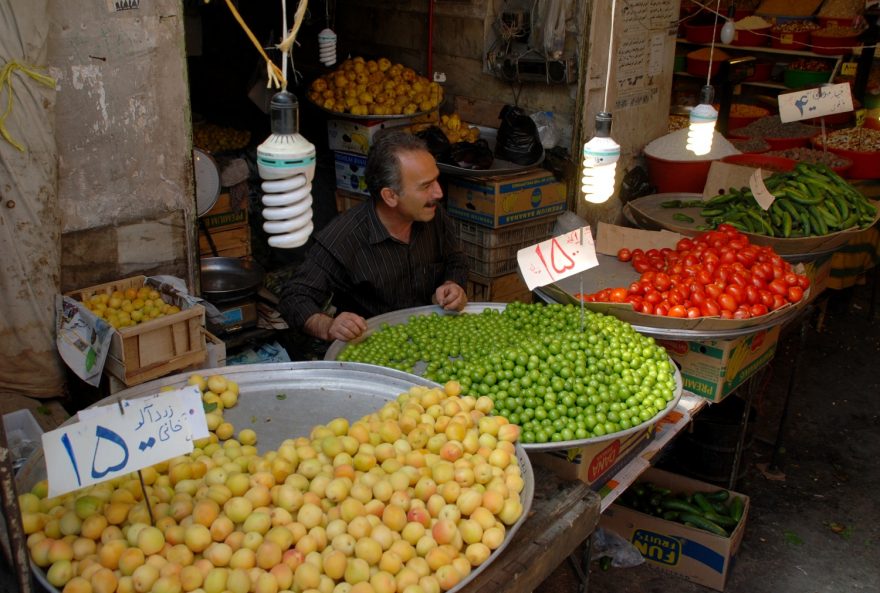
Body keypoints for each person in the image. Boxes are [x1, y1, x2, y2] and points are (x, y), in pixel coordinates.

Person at [278, 129, 468, 343]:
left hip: (433, 339)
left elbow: (456, 259)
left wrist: (453, 284)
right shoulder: (344, 237)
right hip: (375, 348)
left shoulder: (433, 215)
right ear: (390, 196)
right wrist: (329, 326)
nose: (439, 193)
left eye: (436, 180)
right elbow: (294, 297)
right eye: (426, 186)